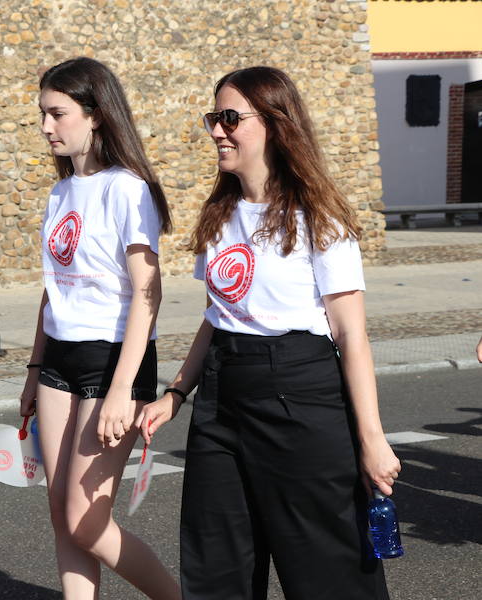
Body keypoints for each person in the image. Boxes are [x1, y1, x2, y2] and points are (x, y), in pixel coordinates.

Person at [137, 66, 401, 600]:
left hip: (299, 392)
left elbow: (351, 335)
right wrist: (176, 393)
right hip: (222, 397)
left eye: (230, 118)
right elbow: (218, 316)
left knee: (323, 563)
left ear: (275, 125)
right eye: (214, 118)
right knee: (218, 561)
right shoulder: (221, 211)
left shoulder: (318, 215)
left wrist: (371, 440)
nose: (216, 130)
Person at [19, 57, 181, 600]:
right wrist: (34, 368)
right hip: (59, 358)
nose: (46, 127)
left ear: (95, 115)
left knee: (87, 520)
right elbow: (54, 288)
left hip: (114, 361)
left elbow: (148, 292)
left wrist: (120, 392)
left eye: (57, 114)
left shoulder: (127, 189)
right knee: (63, 516)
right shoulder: (60, 193)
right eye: (42, 114)